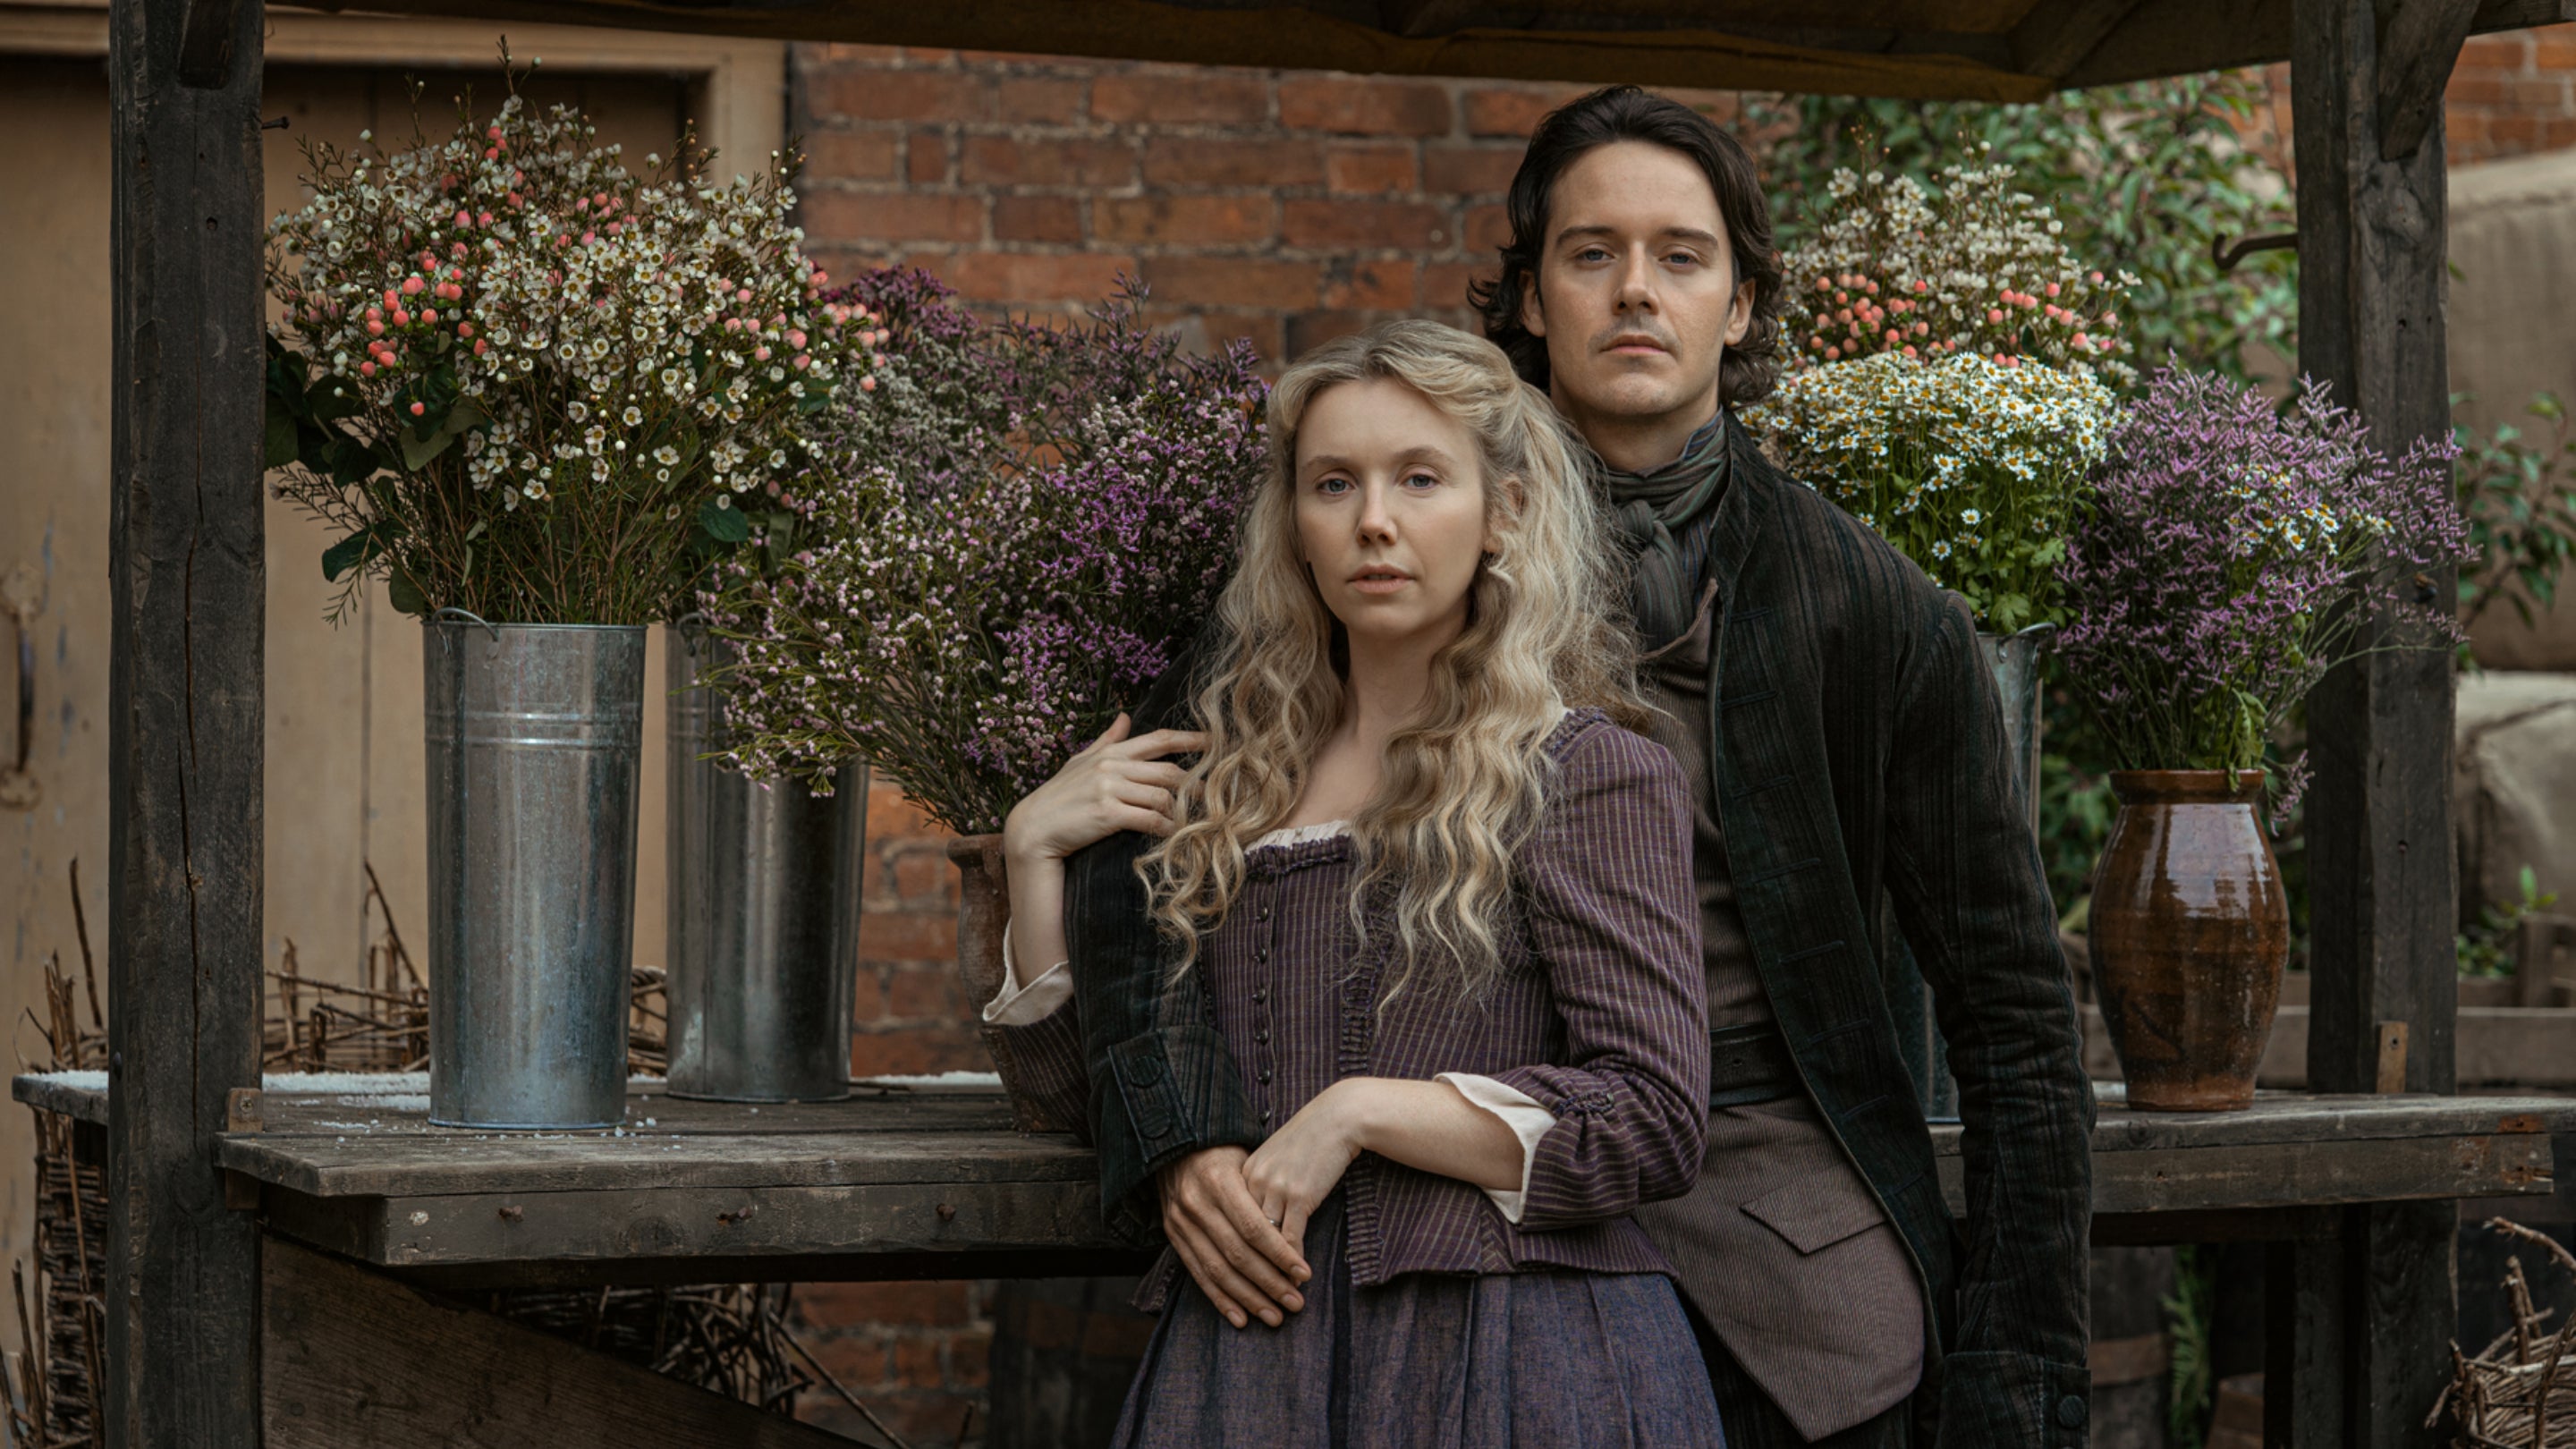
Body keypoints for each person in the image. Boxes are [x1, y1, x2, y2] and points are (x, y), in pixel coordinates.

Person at [1025, 86, 2097, 1449]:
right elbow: (1151, 862)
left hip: (1772, 1263)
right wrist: (1182, 1133)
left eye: (1681, 257)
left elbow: (2014, 1020)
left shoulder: (1877, 615)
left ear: (1745, 303)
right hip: (1426, 1249)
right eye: (1591, 255)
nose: (1635, 292)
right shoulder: (1369, 553)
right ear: (1529, 297)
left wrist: (2019, 1391)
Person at [983, 319, 1724, 1446]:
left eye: (1420, 478)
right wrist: (1034, 852)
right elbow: (1086, 1110)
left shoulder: (1586, 771)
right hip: (1248, 1367)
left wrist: (1363, 1113)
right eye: (1335, 484)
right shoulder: (1229, 787)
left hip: (1511, 1362)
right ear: (1297, 525)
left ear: (1504, 513)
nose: (1374, 521)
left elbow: (1655, 1117)